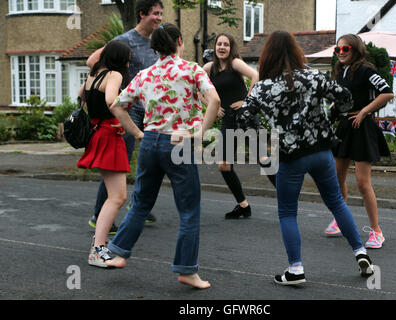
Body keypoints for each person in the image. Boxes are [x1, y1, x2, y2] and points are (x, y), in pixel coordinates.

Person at [236, 30, 375, 285]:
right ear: (296, 51)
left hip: (291, 156)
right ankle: (360, 252)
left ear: (268, 56)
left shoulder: (262, 88)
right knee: (336, 202)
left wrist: (268, 135)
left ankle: (296, 269)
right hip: (321, 151)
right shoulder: (313, 76)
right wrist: (334, 118)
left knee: (287, 212)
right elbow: (345, 97)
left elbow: (244, 118)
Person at [106, 23, 220, 289]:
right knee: (189, 210)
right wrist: (202, 133)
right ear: (180, 41)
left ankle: (119, 253)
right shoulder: (191, 69)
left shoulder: (146, 74)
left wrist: (136, 133)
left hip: (151, 142)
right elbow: (214, 101)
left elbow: (117, 106)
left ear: (154, 47)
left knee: (141, 202)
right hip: (180, 143)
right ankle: (187, 270)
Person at [86, 0, 163, 233]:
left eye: (161, 13)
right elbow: (92, 62)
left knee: (149, 161)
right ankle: (99, 214)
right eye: (155, 14)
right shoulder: (123, 40)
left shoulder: (158, 41)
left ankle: (138, 205)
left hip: (151, 110)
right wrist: (112, 87)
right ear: (142, 15)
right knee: (118, 164)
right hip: (129, 110)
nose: (159, 18)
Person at [324, 34, 394, 249]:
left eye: (346, 49)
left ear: (356, 49)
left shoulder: (366, 70)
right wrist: (333, 109)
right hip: (345, 126)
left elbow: (387, 93)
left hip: (362, 127)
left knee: (363, 183)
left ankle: (376, 232)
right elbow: (340, 99)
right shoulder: (340, 72)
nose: (341, 53)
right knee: (336, 179)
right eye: (338, 50)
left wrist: (364, 112)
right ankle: (341, 219)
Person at [202, 33, 276, 220]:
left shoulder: (235, 63)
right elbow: (197, 89)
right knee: (224, 165)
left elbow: (256, 75)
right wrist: (212, 106)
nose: (222, 47)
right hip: (228, 119)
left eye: (226, 44)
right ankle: (243, 206)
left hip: (245, 117)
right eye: (219, 44)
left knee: (262, 159)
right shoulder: (208, 68)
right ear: (215, 47)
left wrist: (246, 101)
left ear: (231, 47)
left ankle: (286, 198)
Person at [77, 40, 132, 267]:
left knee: (115, 196)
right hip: (109, 137)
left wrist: (99, 119)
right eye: (128, 59)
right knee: (117, 197)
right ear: (121, 59)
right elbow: (111, 101)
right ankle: (98, 249)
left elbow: (81, 96)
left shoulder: (92, 76)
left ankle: (99, 244)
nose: (129, 63)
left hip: (98, 133)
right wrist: (131, 128)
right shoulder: (114, 76)